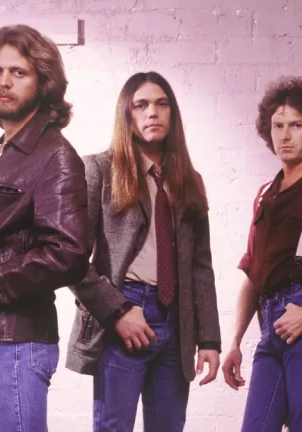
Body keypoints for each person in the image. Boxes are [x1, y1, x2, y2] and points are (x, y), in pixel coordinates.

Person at [0, 24, 88, 432]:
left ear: (44, 81)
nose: (4, 82)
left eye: (19, 72)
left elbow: (69, 252)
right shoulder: (3, 152)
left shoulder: (54, 155)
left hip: (16, 340)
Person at [65, 71, 221, 432]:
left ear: (172, 114)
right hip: (124, 312)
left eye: (161, 104)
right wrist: (117, 311)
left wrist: (209, 339)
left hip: (176, 321)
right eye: (141, 105)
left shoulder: (189, 181)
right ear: (127, 115)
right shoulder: (99, 170)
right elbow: (72, 258)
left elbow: (201, 267)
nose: (153, 112)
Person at [221, 76, 302, 432]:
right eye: (277, 126)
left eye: (296, 125)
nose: (285, 135)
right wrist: (234, 342)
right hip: (270, 323)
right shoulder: (266, 192)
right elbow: (252, 275)